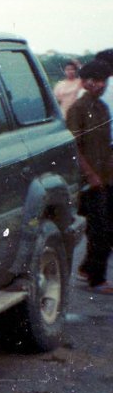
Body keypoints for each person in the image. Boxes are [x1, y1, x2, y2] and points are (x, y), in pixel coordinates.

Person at [66, 61, 113, 293]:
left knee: (107, 228)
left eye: (105, 80)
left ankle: (87, 268)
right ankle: (97, 279)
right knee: (100, 229)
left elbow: (107, 145)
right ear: (85, 82)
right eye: (96, 80)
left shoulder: (103, 108)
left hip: (106, 177)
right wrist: (91, 174)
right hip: (88, 182)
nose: (101, 85)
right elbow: (74, 147)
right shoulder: (77, 109)